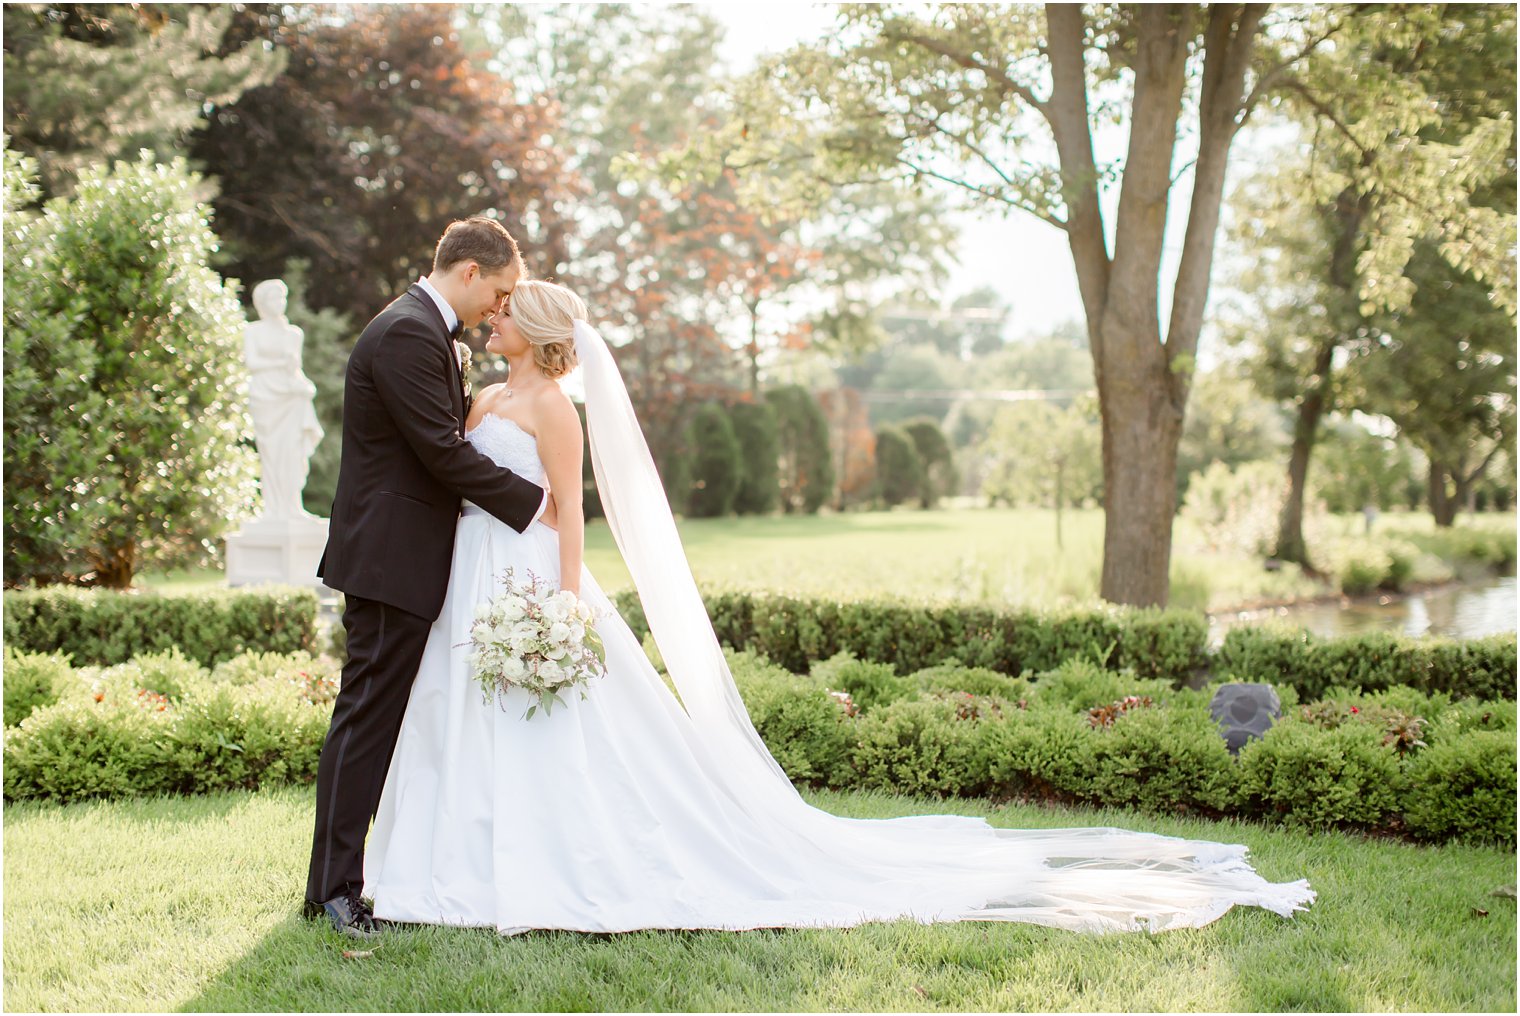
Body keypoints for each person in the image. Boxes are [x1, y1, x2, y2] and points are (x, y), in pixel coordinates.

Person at [362, 280, 1316, 936]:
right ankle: (457, 861)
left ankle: (552, 862)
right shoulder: (485, 396)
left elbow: (573, 514)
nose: (489, 325)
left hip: (535, 582)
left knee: (557, 730)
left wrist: (565, 608)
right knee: (461, 717)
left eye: (501, 319)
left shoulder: (558, 413)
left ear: (533, 326)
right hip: (471, 579)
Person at [306, 218, 558, 937]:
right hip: (390, 556)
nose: (500, 308)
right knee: (365, 720)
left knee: (374, 719)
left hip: (404, 553)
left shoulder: (425, 329)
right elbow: (444, 455)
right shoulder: (410, 332)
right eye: (501, 290)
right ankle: (333, 892)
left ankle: (336, 884)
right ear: (471, 272)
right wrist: (535, 503)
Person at [243, 279, 324, 520]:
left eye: (282, 298)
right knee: (270, 452)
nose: (279, 303)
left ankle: (292, 507)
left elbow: (295, 369)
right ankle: (273, 509)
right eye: (273, 298)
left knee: (291, 450)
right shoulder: (253, 331)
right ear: (262, 303)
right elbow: (252, 363)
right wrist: (279, 364)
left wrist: (305, 386)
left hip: (290, 397)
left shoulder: (293, 333)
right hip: (265, 396)